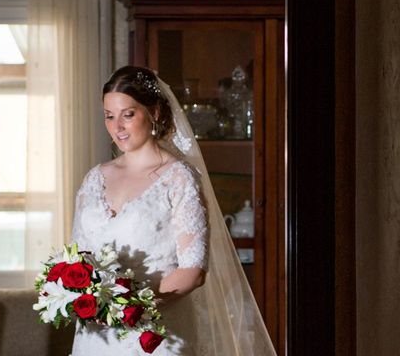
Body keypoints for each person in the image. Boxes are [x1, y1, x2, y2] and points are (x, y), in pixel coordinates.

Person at [71, 66, 276, 355]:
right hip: (95, 336)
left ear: (153, 112)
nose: (117, 127)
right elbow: (77, 255)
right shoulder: (95, 178)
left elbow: (193, 271)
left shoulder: (179, 178)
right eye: (109, 116)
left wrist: (128, 308)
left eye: (128, 114)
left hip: (154, 336)